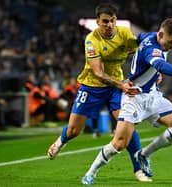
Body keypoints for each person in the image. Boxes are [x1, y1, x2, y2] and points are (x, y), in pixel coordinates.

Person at [81, 18, 172, 185]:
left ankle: (143, 155)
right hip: (134, 97)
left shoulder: (151, 36)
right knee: (120, 144)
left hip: (153, 96)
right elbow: (159, 63)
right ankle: (91, 172)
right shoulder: (152, 48)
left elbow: (140, 40)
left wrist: (151, 73)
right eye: (171, 42)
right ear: (160, 34)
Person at [47, 3, 151, 182]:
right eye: (104, 22)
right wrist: (122, 85)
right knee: (73, 130)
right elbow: (98, 73)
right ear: (97, 22)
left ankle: (138, 168)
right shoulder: (91, 40)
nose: (109, 25)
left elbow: (140, 53)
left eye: (112, 21)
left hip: (115, 88)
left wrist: (153, 71)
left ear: (116, 20)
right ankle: (60, 142)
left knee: (126, 122)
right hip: (92, 87)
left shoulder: (124, 34)